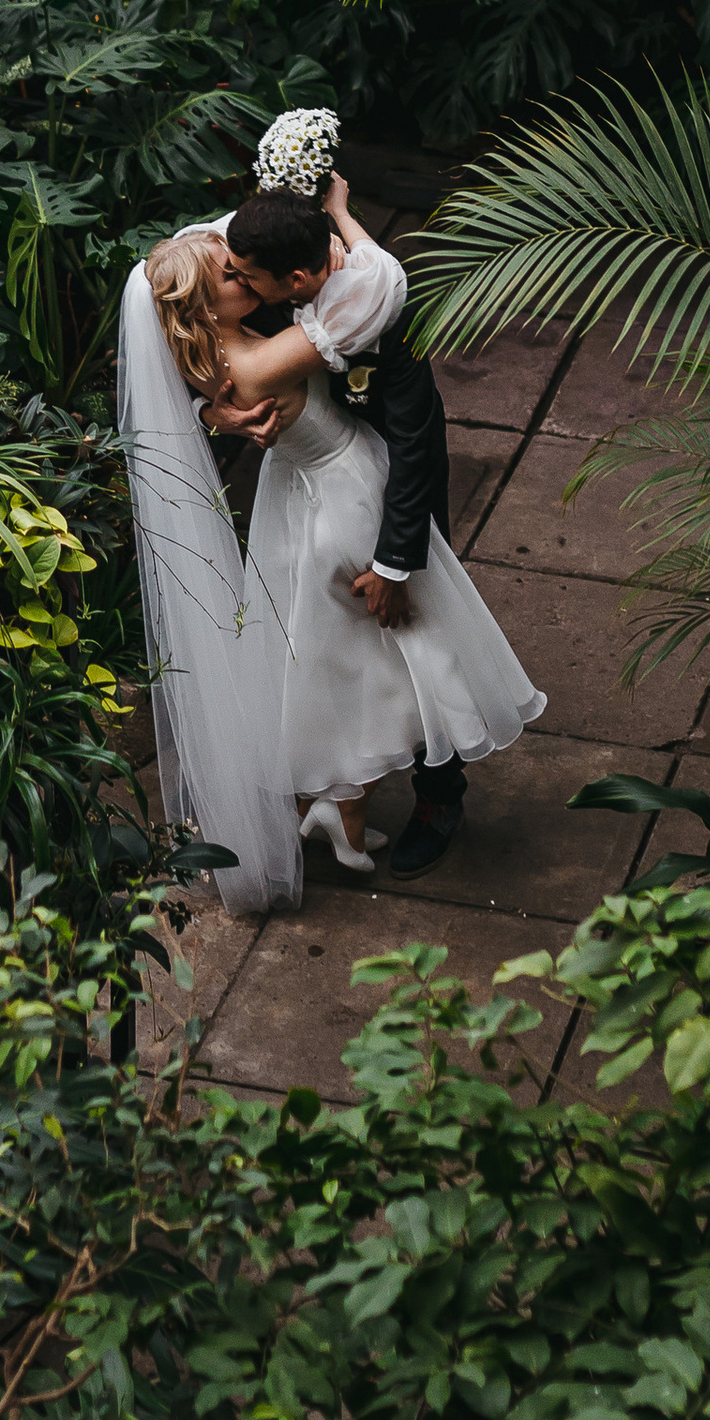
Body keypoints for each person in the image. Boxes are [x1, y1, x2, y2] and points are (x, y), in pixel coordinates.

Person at [115, 199, 542, 911]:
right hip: (332, 493)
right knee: (400, 653)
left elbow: (410, 443)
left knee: (345, 652)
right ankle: (343, 802)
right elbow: (379, 280)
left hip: (371, 477)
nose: (238, 270)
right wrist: (347, 218)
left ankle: (396, 799)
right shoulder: (269, 307)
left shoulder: (255, 303)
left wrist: (395, 557)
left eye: (245, 267)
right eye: (230, 272)